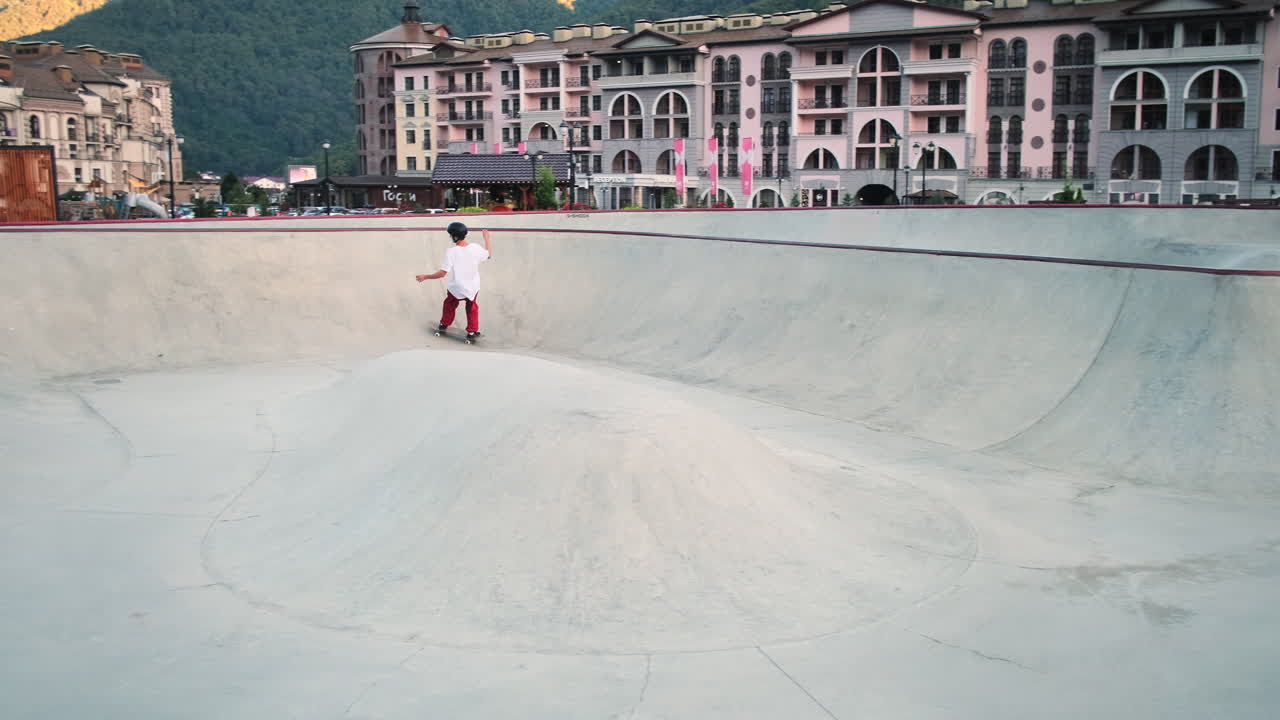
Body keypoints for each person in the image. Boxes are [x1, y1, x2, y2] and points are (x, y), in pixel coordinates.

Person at [416, 221, 491, 339]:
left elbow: (442, 274)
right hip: (473, 287)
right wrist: (487, 239)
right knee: (472, 308)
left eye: (451, 235)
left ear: (455, 236)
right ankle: (472, 331)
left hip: (457, 287)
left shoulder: (451, 252)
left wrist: (425, 276)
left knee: (449, 304)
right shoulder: (476, 248)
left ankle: (444, 324)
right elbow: (488, 255)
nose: (450, 237)